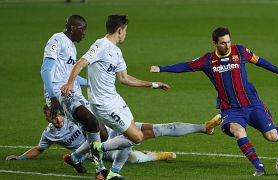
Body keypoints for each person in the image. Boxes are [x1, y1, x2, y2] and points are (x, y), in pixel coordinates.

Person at [150, 27, 278, 176]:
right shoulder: (208, 60)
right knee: (238, 131)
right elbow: (186, 66)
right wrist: (161, 69)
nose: (227, 46)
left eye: (228, 41)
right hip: (231, 109)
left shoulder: (240, 51)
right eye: (223, 43)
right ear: (214, 43)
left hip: (252, 104)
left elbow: (259, 61)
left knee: (271, 136)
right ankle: (259, 167)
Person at [60, 15, 170, 179]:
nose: (125, 34)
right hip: (102, 104)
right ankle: (98, 148)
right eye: (125, 30)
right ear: (120, 30)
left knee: (131, 134)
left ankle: (102, 168)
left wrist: (153, 84)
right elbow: (81, 62)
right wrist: (70, 83)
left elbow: (125, 79)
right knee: (136, 137)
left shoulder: (116, 52)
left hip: (115, 100)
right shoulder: (101, 45)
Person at [6, 104, 222, 175]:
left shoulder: (76, 115)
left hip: (116, 130)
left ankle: (204, 127)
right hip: (106, 148)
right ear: (48, 118)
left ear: (62, 112)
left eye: (59, 115)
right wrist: (22, 158)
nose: (59, 121)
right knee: (136, 158)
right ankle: (158, 156)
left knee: (164, 127)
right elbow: (39, 148)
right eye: (54, 118)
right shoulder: (50, 134)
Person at [40, 14, 107, 178]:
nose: (84, 33)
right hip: (60, 93)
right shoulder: (57, 39)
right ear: (73, 27)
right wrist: (53, 96)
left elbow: (72, 77)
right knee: (90, 122)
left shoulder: (72, 47)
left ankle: (75, 158)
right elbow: (46, 69)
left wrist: (93, 83)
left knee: (103, 134)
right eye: (83, 29)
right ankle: (101, 169)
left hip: (74, 92)